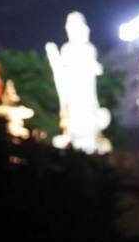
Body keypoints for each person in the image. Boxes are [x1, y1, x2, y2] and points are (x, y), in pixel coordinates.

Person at [45, 11, 112, 154]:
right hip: (72, 93)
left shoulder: (88, 48)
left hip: (86, 93)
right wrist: (55, 60)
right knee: (73, 113)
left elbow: (90, 67)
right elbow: (62, 74)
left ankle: (88, 138)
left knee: (86, 112)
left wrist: (90, 67)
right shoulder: (66, 49)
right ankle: (72, 137)